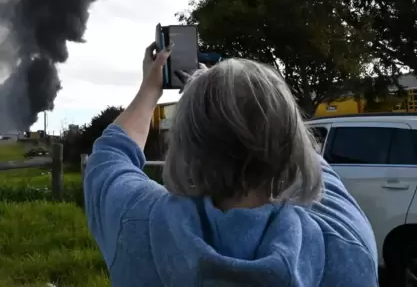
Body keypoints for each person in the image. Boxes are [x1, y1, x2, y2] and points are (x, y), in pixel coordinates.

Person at [84, 43, 379, 286]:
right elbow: (304, 156)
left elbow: (110, 155)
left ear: (184, 145)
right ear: (290, 138)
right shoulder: (345, 242)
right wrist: (248, 102)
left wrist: (151, 89)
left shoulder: (136, 223)